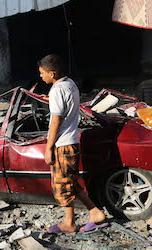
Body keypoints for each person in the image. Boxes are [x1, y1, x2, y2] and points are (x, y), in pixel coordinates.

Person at [39, 54, 107, 233]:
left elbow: (55, 121)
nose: (40, 76)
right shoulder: (70, 83)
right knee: (69, 181)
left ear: (52, 73)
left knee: (63, 185)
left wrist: (48, 148)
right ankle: (95, 212)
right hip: (72, 141)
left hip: (63, 144)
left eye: (42, 73)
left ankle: (69, 223)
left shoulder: (56, 90)